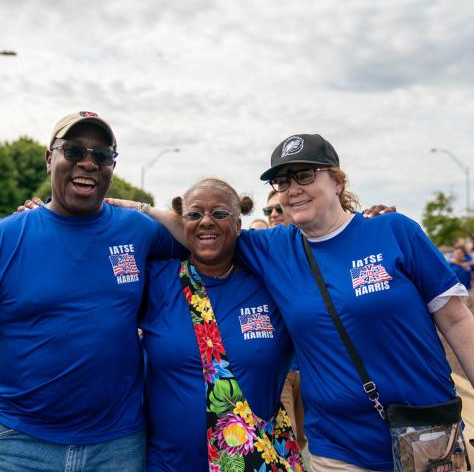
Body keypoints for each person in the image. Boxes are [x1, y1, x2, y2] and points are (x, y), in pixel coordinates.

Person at [235, 133, 474, 471]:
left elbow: (456, 320)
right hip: (337, 449)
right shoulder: (272, 249)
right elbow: (200, 231)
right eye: (282, 180)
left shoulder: (394, 231)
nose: (293, 188)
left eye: (304, 175)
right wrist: (136, 208)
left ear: (337, 181)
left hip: (428, 436)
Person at [0, 111, 184, 471]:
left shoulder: (138, 230)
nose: (88, 163)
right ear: (49, 159)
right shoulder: (8, 236)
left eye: (102, 156)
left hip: (117, 445)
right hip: (20, 443)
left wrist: (142, 207)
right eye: (73, 151)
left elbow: (205, 239)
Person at [138, 178, 303, 471]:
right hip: (168, 464)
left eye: (219, 214)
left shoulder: (271, 284)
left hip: (257, 462)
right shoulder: (157, 280)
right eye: (194, 214)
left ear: (239, 225)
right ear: (182, 223)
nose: (206, 222)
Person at [264, 190, 308, 451]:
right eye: (268, 210)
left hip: (311, 370)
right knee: (287, 440)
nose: (273, 215)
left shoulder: (313, 253)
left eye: (278, 209)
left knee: (302, 440)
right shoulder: (260, 254)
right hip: (280, 371)